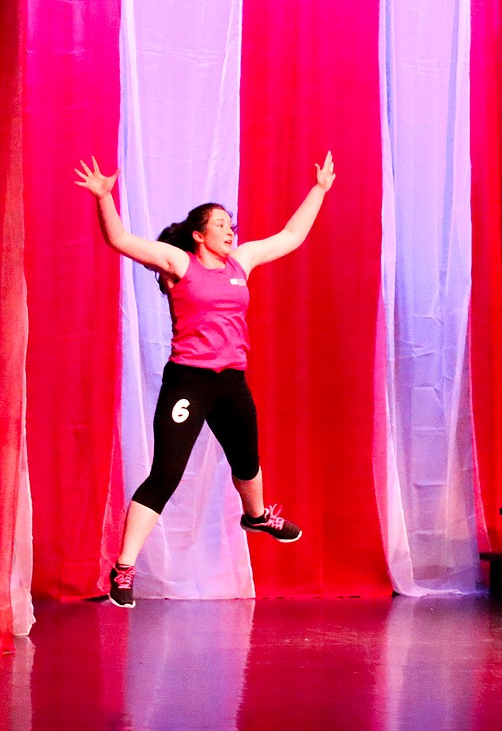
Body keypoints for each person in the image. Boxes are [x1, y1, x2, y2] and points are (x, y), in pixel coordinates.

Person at [74, 153, 336, 608]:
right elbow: (118, 239)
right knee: (166, 474)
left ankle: (255, 517)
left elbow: (291, 236)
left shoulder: (243, 262)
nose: (230, 229)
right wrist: (103, 197)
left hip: (231, 382)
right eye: (220, 224)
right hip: (189, 384)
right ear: (199, 235)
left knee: (248, 463)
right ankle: (123, 568)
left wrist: (319, 190)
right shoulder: (179, 262)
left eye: (231, 223)